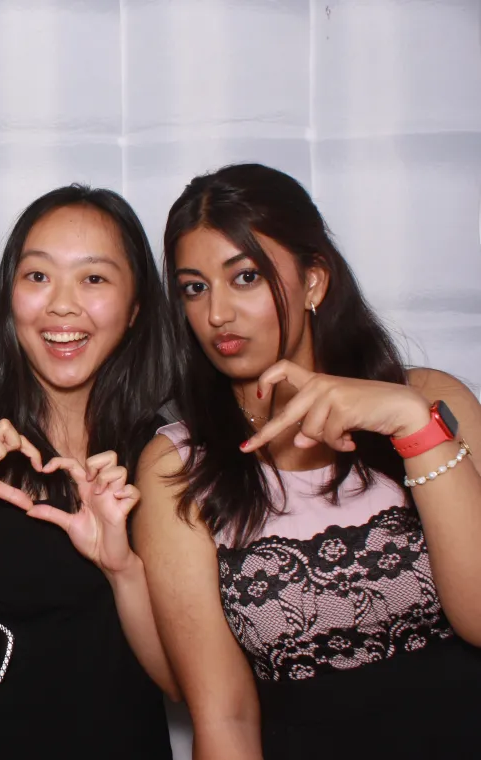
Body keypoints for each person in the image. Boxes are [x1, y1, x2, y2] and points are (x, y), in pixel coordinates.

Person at [135, 163, 481, 760]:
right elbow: (226, 719)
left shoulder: (431, 401)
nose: (217, 313)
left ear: (314, 281)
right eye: (194, 287)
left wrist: (411, 425)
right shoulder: (176, 466)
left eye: (244, 277)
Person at [0, 186, 177, 758]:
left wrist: (122, 569)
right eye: (38, 276)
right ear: (9, 297)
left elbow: (182, 682)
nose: (61, 306)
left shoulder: (165, 458)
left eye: (94, 279)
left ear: (136, 305)